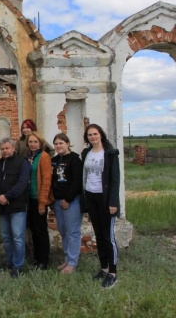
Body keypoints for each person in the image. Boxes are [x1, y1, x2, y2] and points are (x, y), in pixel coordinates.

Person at [81, 123, 120, 288]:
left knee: (108, 237)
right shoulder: (86, 153)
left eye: (95, 134)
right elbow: (85, 176)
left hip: (105, 200)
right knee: (98, 235)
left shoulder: (110, 153)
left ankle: (113, 273)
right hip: (91, 197)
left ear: (101, 135)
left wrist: (113, 202)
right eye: (90, 135)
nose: (93, 137)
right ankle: (103, 268)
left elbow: (114, 179)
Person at [0, 137, 30, 277]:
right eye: (2, 149)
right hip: (2, 207)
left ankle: (18, 265)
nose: (5, 151)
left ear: (13, 148)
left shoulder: (22, 163)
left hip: (17, 206)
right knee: (6, 237)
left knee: (18, 237)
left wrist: (7, 196)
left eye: (7, 148)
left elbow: (22, 183)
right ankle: (9, 261)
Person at [51, 133, 83, 274]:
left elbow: (77, 182)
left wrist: (68, 199)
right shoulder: (54, 160)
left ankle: (72, 263)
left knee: (72, 232)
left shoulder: (75, 160)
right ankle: (67, 258)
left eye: (61, 143)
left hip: (71, 201)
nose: (58, 146)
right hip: (57, 201)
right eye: (56, 144)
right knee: (63, 231)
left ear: (67, 143)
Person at [25, 131, 53, 270]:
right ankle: (36, 257)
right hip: (28, 198)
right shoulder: (28, 157)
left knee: (41, 230)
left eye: (35, 142)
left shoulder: (44, 156)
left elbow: (47, 180)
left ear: (40, 143)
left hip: (38, 199)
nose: (33, 144)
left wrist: (43, 202)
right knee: (33, 229)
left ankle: (43, 260)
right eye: (30, 142)